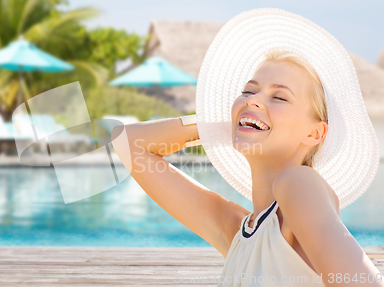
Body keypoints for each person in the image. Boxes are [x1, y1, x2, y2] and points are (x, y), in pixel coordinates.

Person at [111, 8, 383, 287]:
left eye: (280, 97)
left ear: (315, 133)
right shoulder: (239, 233)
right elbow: (128, 143)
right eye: (249, 91)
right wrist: (231, 121)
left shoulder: (299, 183)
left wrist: (248, 117)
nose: (254, 100)